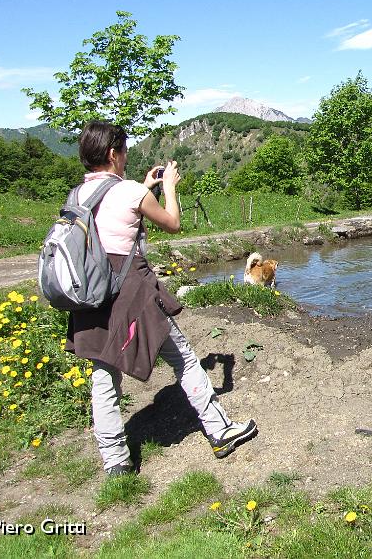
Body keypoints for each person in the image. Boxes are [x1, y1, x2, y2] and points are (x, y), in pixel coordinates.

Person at [66, 121, 257, 477]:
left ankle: (115, 462)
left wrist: (144, 185)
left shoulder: (77, 195)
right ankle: (220, 431)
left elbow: (112, 223)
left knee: (103, 376)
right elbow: (172, 223)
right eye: (123, 150)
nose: (125, 156)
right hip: (132, 297)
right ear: (112, 154)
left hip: (92, 297)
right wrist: (167, 187)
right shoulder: (128, 192)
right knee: (183, 358)